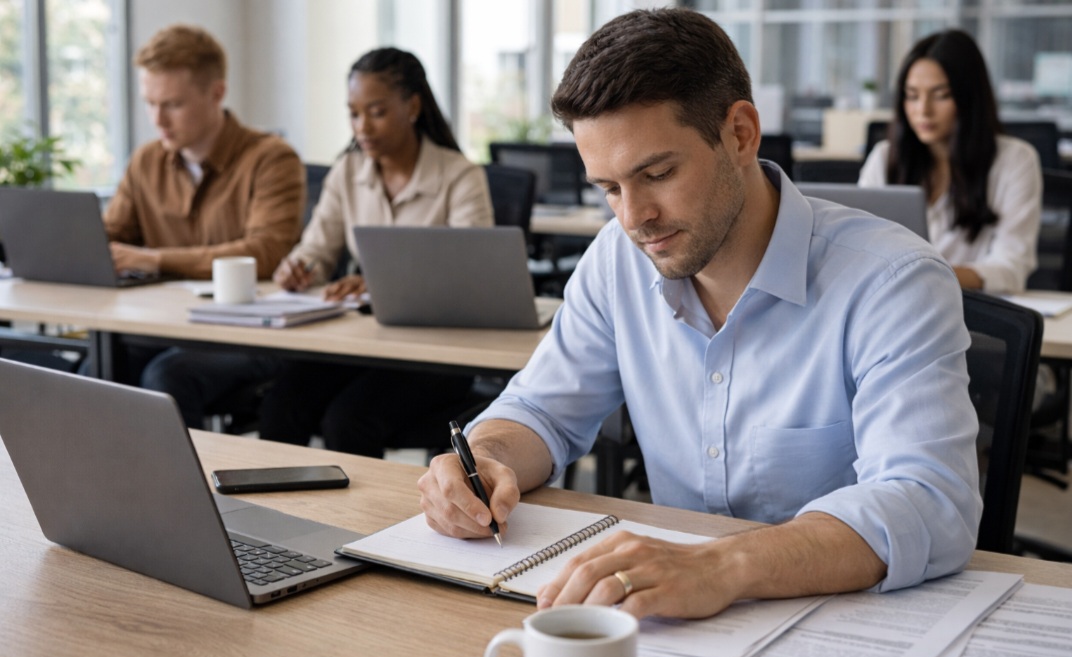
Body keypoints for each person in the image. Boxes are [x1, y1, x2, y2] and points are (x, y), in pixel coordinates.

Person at [418, 8, 982, 620]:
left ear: (740, 134)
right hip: (675, 625)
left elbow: (929, 502)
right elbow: (541, 409)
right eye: (608, 188)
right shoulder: (617, 259)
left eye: (656, 173)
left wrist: (724, 565)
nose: (633, 218)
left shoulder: (892, 280)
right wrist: (488, 458)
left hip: (846, 622)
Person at [257, 48, 494, 457]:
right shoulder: (347, 172)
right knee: (282, 404)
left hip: (437, 353)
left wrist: (378, 284)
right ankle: (272, 515)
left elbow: (472, 275)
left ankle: (364, 523)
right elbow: (317, 248)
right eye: (354, 113)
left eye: (377, 112)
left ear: (413, 106)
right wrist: (299, 269)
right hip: (365, 343)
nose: (362, 126)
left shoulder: (460, 176)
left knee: (349, 420)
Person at [101, 24, 304, 427]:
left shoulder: (271, 158)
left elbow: (265, 252)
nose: (157, 119)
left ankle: (181, 492)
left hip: (250, 336)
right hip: (167, 326)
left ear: (216, 93)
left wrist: (155, 259)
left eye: (172, 104)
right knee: (96, 368)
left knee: (168, 377)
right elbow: (110, 238)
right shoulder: (147, 161)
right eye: (150, 103)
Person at [859, 29, 1042, 294]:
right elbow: (860, 247)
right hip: (893, 306)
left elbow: (1010, 269)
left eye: (941, 95)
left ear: (969, 97)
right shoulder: (884, 158)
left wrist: (924, 273)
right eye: (912, 95)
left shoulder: (1015, 161)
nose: (923, 110)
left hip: (973, 313)